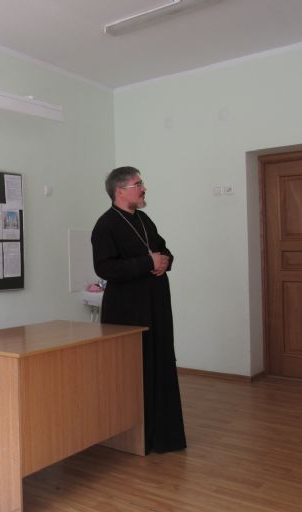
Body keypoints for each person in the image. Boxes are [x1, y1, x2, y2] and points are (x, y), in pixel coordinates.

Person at [91, 166, 186, 454]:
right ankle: (135, 438)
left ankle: (164, 437)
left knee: (161, 364)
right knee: (135, 371)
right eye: (138, 184)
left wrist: (165, 261)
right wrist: (148, 263)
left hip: (156, 306)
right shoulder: (105, 225)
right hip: (128, 311)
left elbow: (163, 249)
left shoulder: (144, 219)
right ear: (120, 191)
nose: (143, 188)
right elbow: (104, 268)